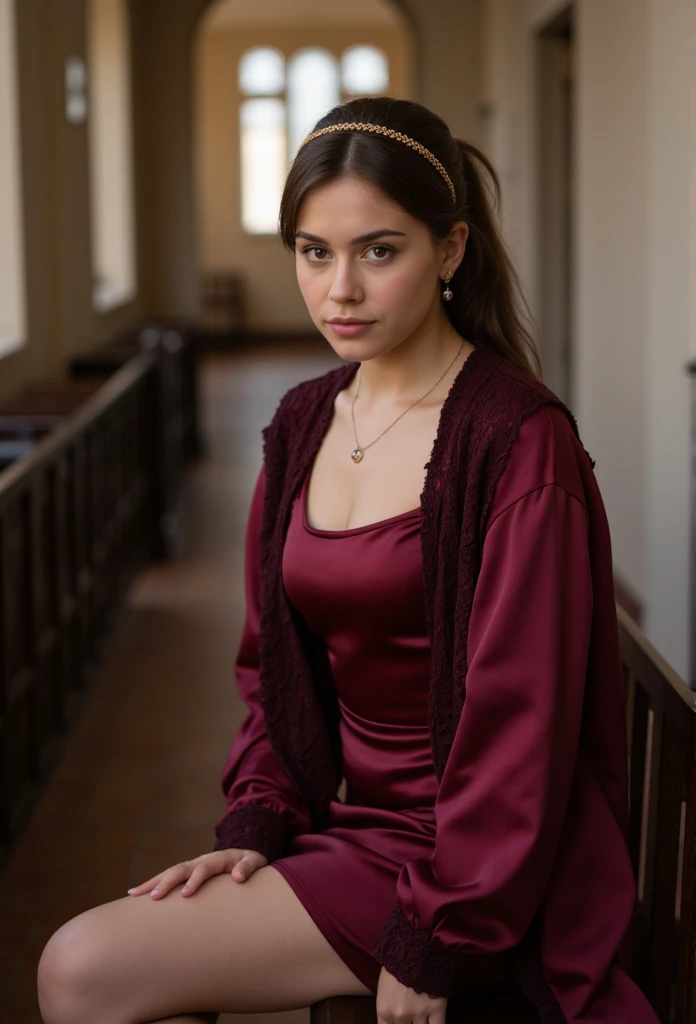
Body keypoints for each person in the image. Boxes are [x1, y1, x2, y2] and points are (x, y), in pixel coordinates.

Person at [36, 96, 660, 1024]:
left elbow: (520, 719)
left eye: (379, 250)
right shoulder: (302, 422)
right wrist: (259, 815)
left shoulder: (517, 439)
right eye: (314, 252)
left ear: (450, 251)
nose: (340, 291)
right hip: (351, 832)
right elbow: (270, 671)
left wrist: (443, 929)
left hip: (487, 868)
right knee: (93, 962)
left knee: (81, 968)